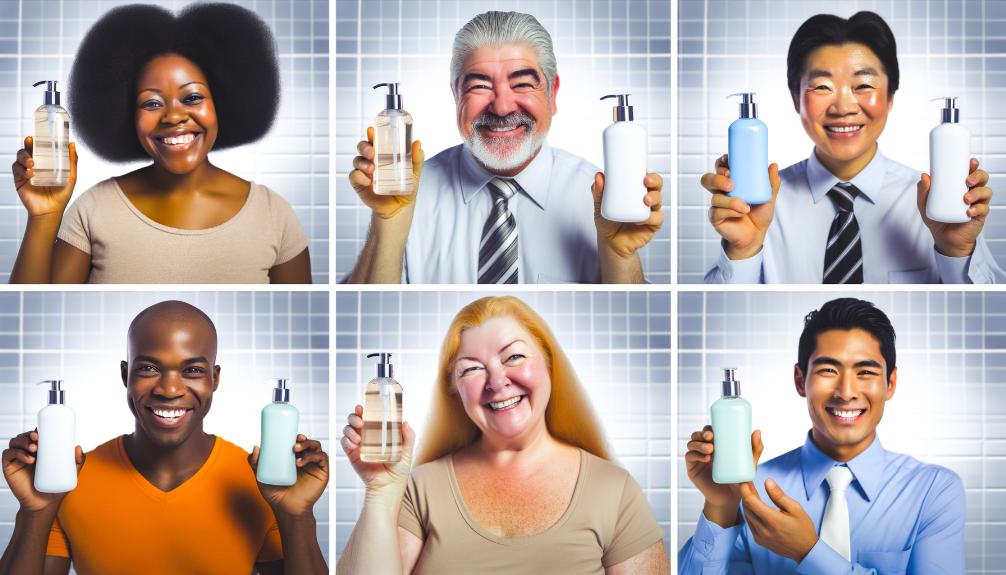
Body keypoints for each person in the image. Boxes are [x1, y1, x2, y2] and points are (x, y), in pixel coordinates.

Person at [338, 296, 668, 573]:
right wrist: (381, 491)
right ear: (454, 389)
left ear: (549, 363)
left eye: (514, 356)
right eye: (472, 369)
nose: (497, 382)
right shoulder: (418, 490)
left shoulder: (613, 489)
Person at [0, 301, 329, 575]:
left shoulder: (261, 483)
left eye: (193, 371)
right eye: (149, 369)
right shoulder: (70, 478)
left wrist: (297, 516)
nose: (170, 390)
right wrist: (34, 512)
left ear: (214, 378)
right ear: (124, 375)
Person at [346, 11, 664, 284]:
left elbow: (625, 316)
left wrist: (620, 257)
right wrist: (385, 225)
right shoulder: (407, 191)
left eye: (522, 83)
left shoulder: (601, 196)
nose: (501, 108)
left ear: (552, 94)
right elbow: (365, 313)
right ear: (456, 94)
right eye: (480, 86)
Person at [10, 4, 311, 284]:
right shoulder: (94, 210)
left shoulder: (273, 214)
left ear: (223, 102)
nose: (174, 116)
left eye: (192, 97)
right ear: (126, 114)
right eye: (152, 103)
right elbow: (30, 301)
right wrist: (44, 216)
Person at [703, 11, 1003, 284]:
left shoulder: (936, 204)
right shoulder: (760, 204)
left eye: (863, 86)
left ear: (890, 97)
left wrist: (957, 251)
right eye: (822, 87)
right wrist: (742, 249)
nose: (843, 107)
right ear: (796, 99)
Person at [679, 298, 965, 573]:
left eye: (865, 371)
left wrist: (807, 551)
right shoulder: (752, 490)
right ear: (800, 380)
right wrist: (721, 507)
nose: (846, 392)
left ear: (890, 383)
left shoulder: (933, 490)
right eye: (829, 370)